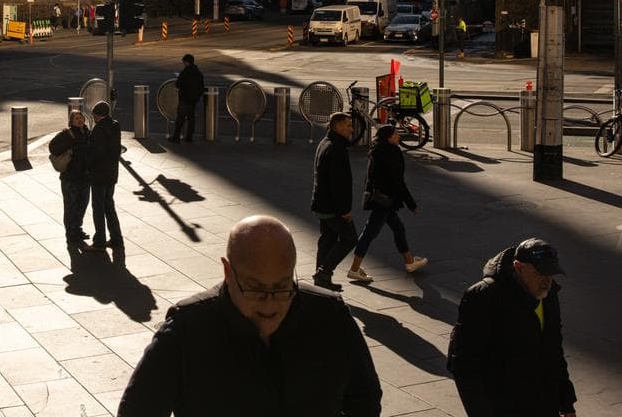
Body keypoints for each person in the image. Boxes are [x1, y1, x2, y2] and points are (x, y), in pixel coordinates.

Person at [118, 215, 382, 415]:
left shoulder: (330, 317)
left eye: (281, 288)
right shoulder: (186, 331)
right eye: (255, 289)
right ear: (227, 272)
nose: (269, 307)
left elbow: (365, 398)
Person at [447, 238, 577, 417]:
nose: (547, 281)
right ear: (518, 267)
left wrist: (566, 401)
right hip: (503, 404)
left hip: (543, 402)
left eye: (551, 274)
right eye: (540, 273)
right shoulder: (484, 296)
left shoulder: (548, 295)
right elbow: (464, 364)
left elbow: (553, 349)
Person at [345, 124, 428, 283]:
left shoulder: (377, 150)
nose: (399, 136)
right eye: (396, 134)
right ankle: (354, 269)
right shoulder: (391, 154)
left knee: (398, 228)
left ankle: (410, 261)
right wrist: (411, 204)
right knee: (369, 233)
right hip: (384, 200)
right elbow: (398, 182)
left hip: (381, 198)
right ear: (389, 137)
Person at [311, 112, 357, 289]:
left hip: (321, 203)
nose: (351, 130)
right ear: (337, 126)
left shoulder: (325, 143)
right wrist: (345, 210)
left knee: (327, 239)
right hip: (332, 207)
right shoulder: (336, 149)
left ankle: (321, 280)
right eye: (348, 125)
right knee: (349, 238)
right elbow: (339, 184)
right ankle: (324, 272)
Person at [49, 109, 92, 246]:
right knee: (70, 207)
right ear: (71, 121)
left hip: (85, 177)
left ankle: (77, 229)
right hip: (70, 178)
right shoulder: (66, 134)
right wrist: (70, 145)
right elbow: (53, 148)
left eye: (81, 118)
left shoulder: (88, 133)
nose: (80, 120)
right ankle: (70, 233)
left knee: (82, 205)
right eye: (76, 119)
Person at [87, 101, 123, 250]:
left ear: (97, 114)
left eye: (94, 114)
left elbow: (96, 153)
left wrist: (88, 167)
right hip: (112, 174)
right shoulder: (115, 126)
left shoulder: (99, 129)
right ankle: (116, 238)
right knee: (109, 207)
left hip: (99, 175)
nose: (93, 117)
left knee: (98, 208)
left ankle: (99, 241)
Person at [168, 54, 205, 143]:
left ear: (187, 62)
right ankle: (189, 137)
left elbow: (178, 84)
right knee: (191, 119)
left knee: (180, 118)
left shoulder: (185, 72)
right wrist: (197, 97)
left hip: (185, 99)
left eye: (184, 62)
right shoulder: (198, 73)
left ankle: (176, 137)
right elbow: (201, 87)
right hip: (193, 100)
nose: (183, 64)